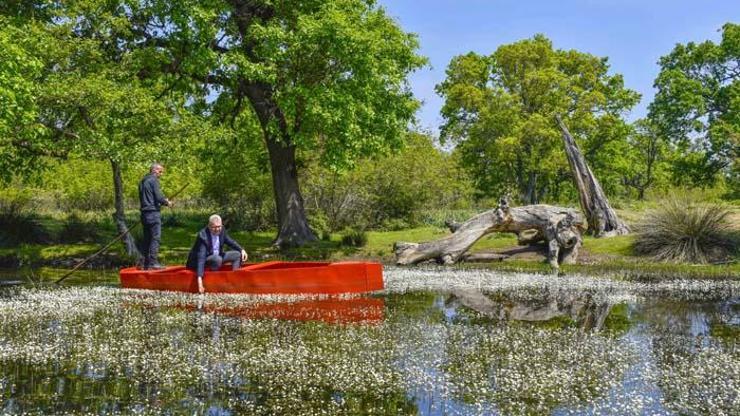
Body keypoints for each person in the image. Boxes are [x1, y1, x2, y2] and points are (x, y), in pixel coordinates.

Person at [186, 214, 248, 294]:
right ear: (209, 226)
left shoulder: (222, 230)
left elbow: (230, 242)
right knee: (217, 259)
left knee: (237, 255)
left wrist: (242, 250)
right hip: (199, 261)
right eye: (214, 227)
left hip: (217, 257)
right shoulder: (203, 236)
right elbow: (201, 258)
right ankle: (214, 280)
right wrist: (199, 281)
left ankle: (234, 278)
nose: (217, 229)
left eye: (219, 226)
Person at [138, 163, 171, 270]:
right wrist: (167, 202)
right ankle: (153, 263)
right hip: (153, 213)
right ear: (154, 170)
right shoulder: (153, 180)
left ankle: (143, 264)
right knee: (155, 238)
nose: (161, 174)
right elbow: (159, 197)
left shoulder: (142, 181)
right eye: (160, 171)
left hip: (144, 214)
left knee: (146, 239)